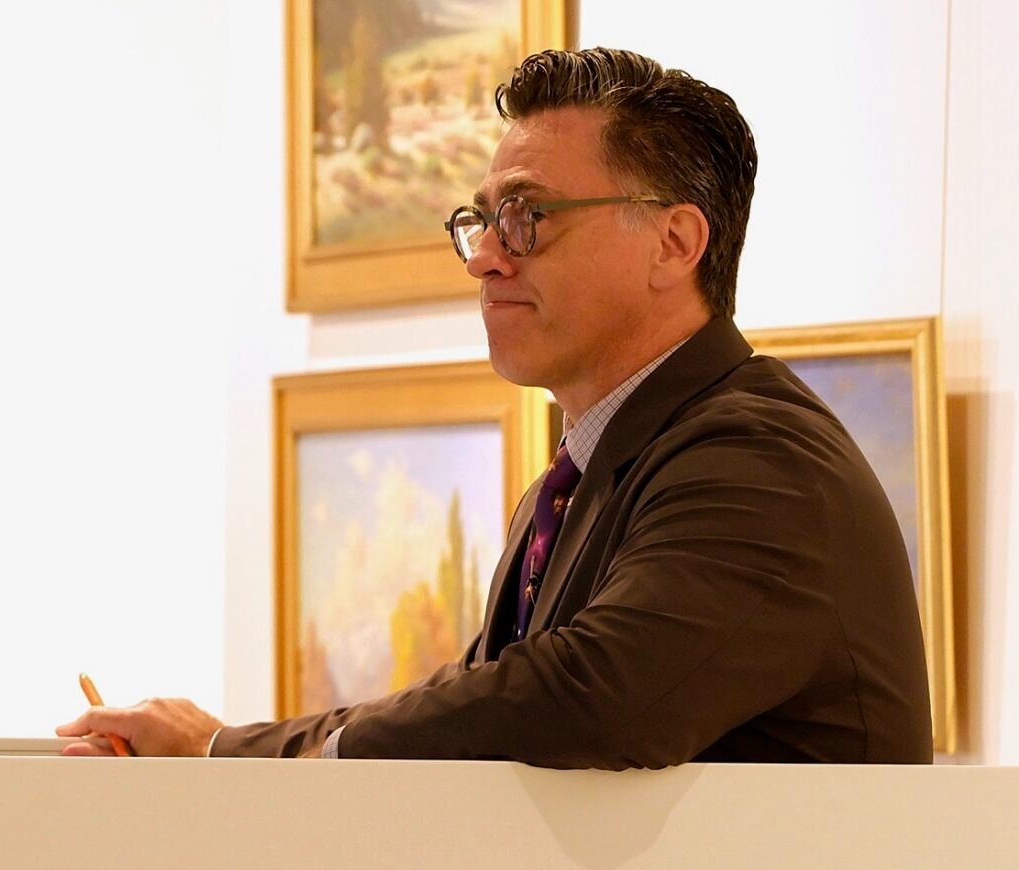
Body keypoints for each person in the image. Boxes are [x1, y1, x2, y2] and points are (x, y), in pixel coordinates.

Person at [60, 48, 930, 767]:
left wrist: (225, 752)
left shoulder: (759, 459)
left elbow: (585, 701)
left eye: (528, 218)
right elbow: (480, 703)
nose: (484, 259)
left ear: (674, 243)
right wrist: (224, 746)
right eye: (480, 219)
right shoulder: (589, 471)